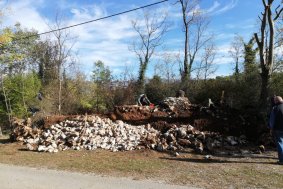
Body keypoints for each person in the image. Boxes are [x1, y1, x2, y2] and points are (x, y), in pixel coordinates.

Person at [269, 96, 283, 165]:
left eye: (274, 100)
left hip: (278, 129)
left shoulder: (275, 108)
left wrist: (271, 129)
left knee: (280, 144)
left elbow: (272, 120)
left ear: (276, 101)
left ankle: (282, 160)